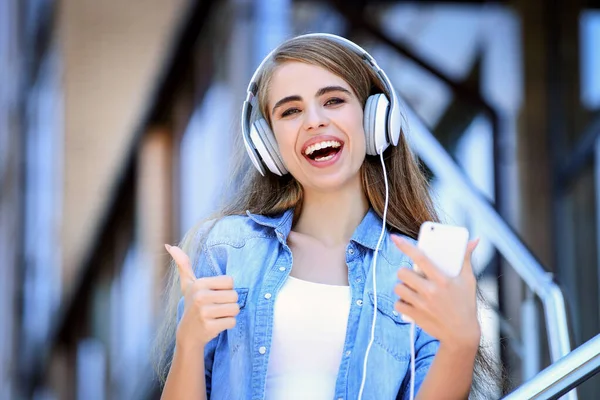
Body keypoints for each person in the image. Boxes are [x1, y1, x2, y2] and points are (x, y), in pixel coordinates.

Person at [155, 33, 486, 399]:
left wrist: (461, 342)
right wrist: (189, 342)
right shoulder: (228, 248)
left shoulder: (416, 268)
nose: (314, 121)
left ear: (375, 119)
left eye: (333, 100)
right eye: (290, 111)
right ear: (268, 143)